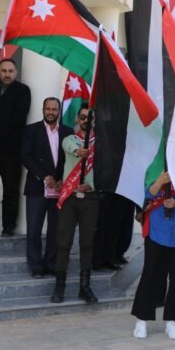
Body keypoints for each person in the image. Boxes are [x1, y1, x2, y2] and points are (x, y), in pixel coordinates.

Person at [51, 103, 102, 304]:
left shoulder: (101, 144)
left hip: (90, 199)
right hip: (70, 198)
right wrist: (81, 151)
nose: (85, 121)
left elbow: (106, 172)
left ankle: (85, 286)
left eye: (89, 118)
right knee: (63, 242)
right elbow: (69, 148)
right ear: (77, 120)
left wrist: (91, 185)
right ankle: (59, 286)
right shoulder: (70, 140)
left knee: (87, 243)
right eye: (82, 118)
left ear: (94, 121)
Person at [131, 171, 175, 341]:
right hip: (157, 228)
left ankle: (172, 321)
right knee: (151, 274)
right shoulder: (156, 163)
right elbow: (147, 193)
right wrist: (160, 180)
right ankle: (141, 320)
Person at [21, 97, 73, 278]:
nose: (51, 112)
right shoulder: (31, 130)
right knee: (34, 229)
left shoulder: (68, 132)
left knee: (55, 229)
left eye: (54, 109)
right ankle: (35, 266)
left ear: (59, 111)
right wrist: (44, 176)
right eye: (48, 109)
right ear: (43, 110)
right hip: (37, 187)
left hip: (59, 189)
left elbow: (70, 161)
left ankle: (51, 263)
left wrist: (63, 179)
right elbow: (26, 157)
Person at [0, 58, 31, 236]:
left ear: (15, 73)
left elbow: (18, 117)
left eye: (10, 71)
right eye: (4, 71)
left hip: (11, 149)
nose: (7, 74)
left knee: (10, 190)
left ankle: (9, 226)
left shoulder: (23, 91)